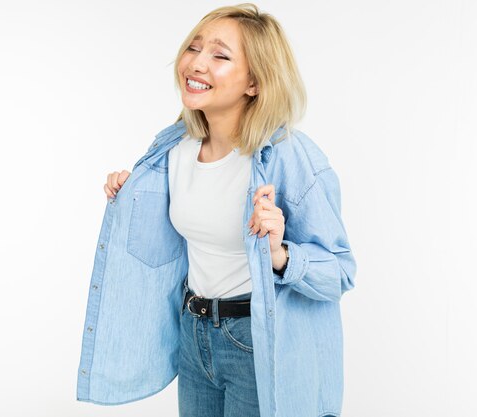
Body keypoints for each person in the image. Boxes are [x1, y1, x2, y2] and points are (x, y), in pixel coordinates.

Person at [78, 3, 357, 417]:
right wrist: (129, 192)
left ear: (255, 83)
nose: (196, 63)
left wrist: (281, 255)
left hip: (254, 340)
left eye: (220, 56)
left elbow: (341, 271)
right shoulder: (172, 148)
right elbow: (164, 243)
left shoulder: (290, 158)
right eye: (194, 48)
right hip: (194, 333)